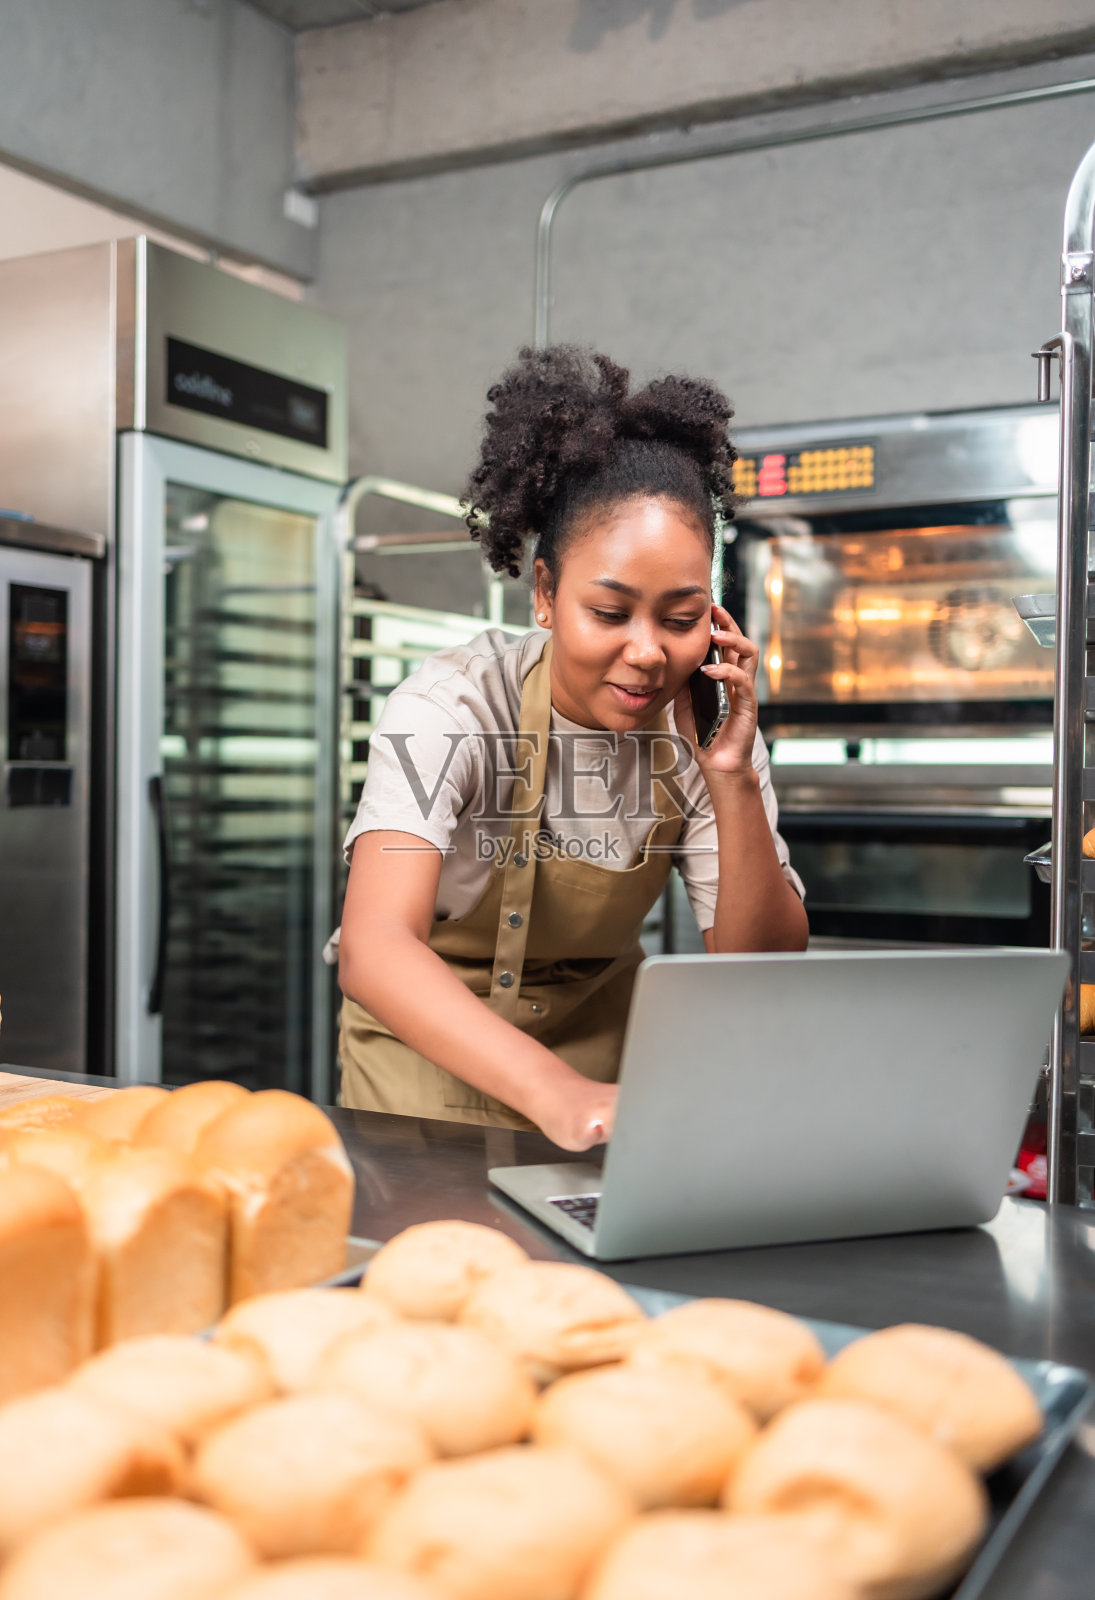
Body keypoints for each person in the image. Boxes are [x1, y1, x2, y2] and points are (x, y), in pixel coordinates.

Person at [337, 346, 807, 1151]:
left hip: (606, 1077)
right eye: (610, 612)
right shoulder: (451, 706)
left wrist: (729, 778)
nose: (648, 653)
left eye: (681, 618)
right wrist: (555, 1094)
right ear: (546, 593)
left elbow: (758, 970)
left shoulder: (709, 728)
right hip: (423, 1071)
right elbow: (376, 949)